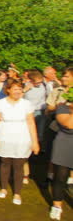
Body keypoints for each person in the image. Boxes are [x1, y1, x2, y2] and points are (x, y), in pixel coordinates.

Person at [0, 80, 39, 205]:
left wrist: (35, 142)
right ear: (8, 90)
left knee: (19, 165)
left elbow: (31, 123)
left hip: (22, 136)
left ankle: (17, 193)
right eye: (15, 89)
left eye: (20, 89)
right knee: (5, 163)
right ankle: (3, 188)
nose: (18, 91)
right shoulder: (0, 103)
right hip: (5, 135)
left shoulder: (27, 104)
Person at [49, 91, 73, 220]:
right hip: (65, 143)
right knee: (60, 177)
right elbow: (69, 124)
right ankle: (57, 206)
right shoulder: (63, 107)